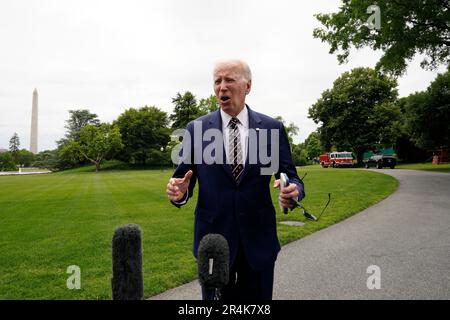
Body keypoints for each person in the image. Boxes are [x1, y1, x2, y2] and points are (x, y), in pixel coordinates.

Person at [166, 60, 305, 300]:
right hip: (214, 243)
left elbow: (289, 175)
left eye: (229, 80)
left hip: (259, 241)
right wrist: (180, 192)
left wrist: (293, 192)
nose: (222, 87)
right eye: (217, 81)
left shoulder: (270, 129)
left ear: (248, 86)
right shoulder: (196, 129)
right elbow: (182, 179)